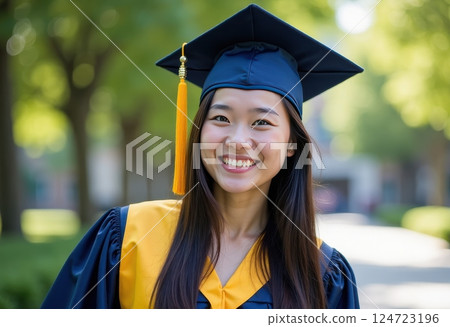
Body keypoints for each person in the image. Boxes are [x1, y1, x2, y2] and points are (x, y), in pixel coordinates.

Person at [41, 4, 362, 309]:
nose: (237, 140)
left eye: (261, 122)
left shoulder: (322, 272)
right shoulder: (127, 238)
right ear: (198, 130)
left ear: (292, 144)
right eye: (221, 118)